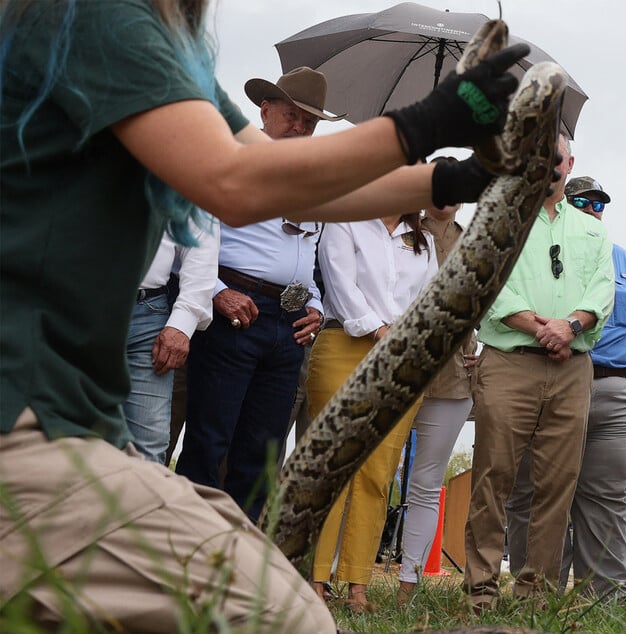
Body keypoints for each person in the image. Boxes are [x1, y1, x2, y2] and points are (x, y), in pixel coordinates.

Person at [0, 0, 528, 629]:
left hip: (71, 419)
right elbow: (236, 183)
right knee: (283, 616)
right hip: (21, 420)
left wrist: (448, 180)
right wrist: (423, 122)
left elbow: (299, 184)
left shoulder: (159, 49)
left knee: (255, 563)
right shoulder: (95, 15)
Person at [174, 68, 336, 522]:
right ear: (264, 111)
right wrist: (217, 292)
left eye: (311, 122)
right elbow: (188, 235)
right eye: (293, 116)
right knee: (209, 442)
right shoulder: (228, 160)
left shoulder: (316, 181)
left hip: (289, 324)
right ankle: (188, 550)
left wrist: (317, 306)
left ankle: (239, 564)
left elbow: (311, 256)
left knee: (263, 454)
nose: (302, 128)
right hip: (234, 310)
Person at [462, 136, 615, 612]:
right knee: (494, 477)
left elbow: (602, 290)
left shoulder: (593, 231)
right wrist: (539, 326)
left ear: (570, 164)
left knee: (558, 484)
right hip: (509, 363)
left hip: (572, 368)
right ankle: (481, 590)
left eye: (556, 157)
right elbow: (487, 284)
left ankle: (536, 594)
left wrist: (570, 327)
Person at [307, 210, 437, 613]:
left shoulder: (424, 240)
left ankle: (357, 584)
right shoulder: (345, 221)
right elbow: (341, 285)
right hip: (345, 346)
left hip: (402, 359)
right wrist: (380, 330)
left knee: (376, 475)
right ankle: (314, 581)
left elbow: (430, 302)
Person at [560, 175, 626, 598]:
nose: (590, 210)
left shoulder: (624, 262)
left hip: (614, 390)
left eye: (598, 204)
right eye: (581, 202)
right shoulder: (541, 255)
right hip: (557, 383)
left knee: (608, 497)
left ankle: (603, 598)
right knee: (545, 495)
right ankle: (538, 594)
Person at [397, 158, 478, 604]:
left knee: (426, 482)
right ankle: (337, 576)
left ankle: (410, 583)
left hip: (452, 376)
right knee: (366, 474)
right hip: (397, 364)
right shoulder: (398, 229)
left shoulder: (475, 241)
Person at [123, 221, 219, 463]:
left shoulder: (183, 183)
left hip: (149, 313)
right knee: (70, 430)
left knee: (150, 441)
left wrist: (182, 323)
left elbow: (202, 238)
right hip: (78, 304)